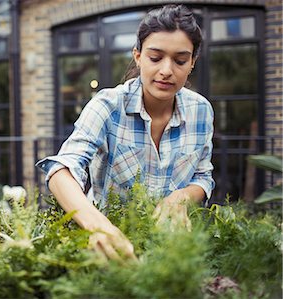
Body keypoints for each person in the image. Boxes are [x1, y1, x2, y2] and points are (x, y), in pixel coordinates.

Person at [36, 4, 215, 260]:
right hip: (110, 252)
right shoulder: (107, 105)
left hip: (172, 252)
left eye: (179, 60)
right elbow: (61, 170)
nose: (166, 70)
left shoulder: (202, 111)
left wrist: (181, 197)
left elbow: (203, 176)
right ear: (138, 56)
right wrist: (98, 225)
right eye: (155, 58)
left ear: (192, 63)